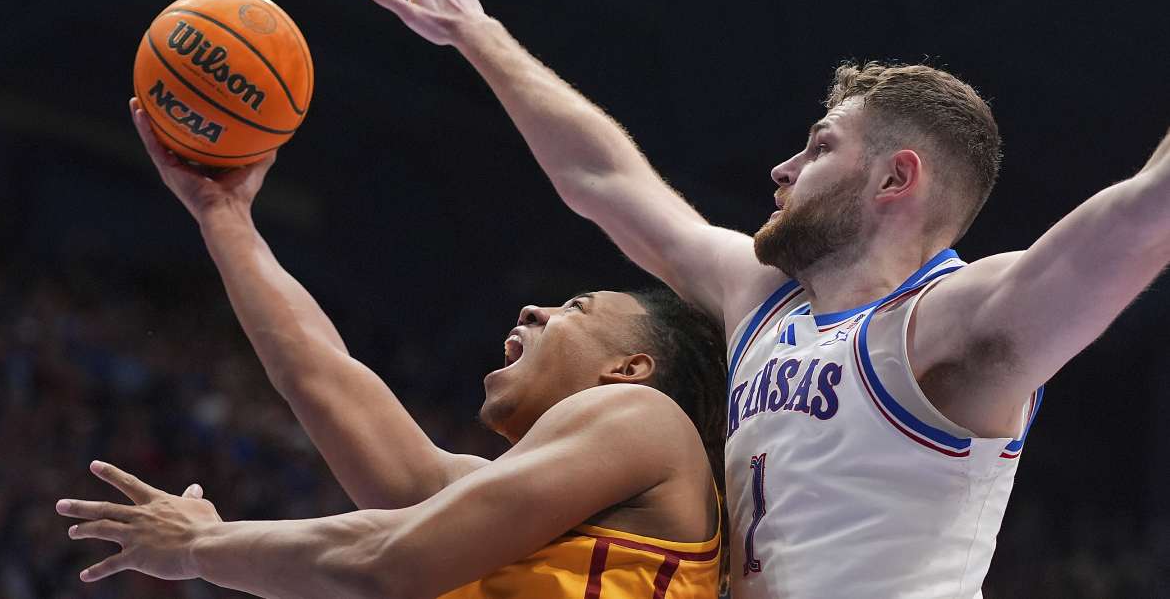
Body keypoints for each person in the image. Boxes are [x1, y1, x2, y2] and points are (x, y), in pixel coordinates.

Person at [353, 0, 1170, 596]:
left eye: (819, 147)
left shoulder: (954, 324)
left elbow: (1142, 216)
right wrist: (478, 32)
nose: (781, 169)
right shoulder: (762, 298)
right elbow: (603, 179)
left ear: (896, 178)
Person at [55, 99, 727, 598]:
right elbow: (320, 378)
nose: (534, 310)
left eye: (576, 308)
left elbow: (388, 561)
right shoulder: (513, 522)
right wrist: (223, 215)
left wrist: (202, 544)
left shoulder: (648, 419)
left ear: (629, 369)